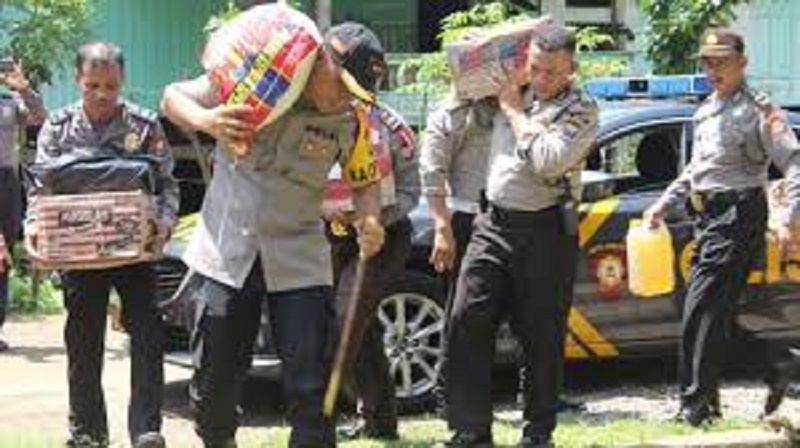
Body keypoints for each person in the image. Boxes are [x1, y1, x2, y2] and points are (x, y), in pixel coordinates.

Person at [160, 22, 386, 448]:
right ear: (321, 59)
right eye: (342, 85)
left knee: (311, 384)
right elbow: (172, 97)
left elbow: (366, 181)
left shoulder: (351, 117)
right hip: (229, 251)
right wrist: (207, 120)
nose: (344, 97)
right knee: (215, 383)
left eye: (355, 92)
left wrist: (370, 219)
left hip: (299, 258)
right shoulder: (259, 77)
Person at [440, 23, 598, 447]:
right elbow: (468, 113)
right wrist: (475, 72)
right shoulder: (516, 88)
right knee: (466, 319)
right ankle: (471, 430)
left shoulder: (582, 109)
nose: (542, 79)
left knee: (540, 335)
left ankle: (537, 434)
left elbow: (549, 160)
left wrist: (512, 111)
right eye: (536, 68)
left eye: (552, 72)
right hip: (492, 223)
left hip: (544, 230)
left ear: (571, 69)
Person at [643, 28, 800, 426]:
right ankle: (776, 364)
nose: (713, 70)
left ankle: (695, 408)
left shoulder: (759, 110)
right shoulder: (706, 109)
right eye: (707, 62)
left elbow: (794, 162)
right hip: (707, 216)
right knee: (712, 313)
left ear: (742, 63)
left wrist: (788, 218)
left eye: (722, 62)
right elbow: (698, 169)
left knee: (700, 309)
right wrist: (664, 203)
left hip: (738, 214)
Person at [26, 42, 178, 448]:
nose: (101, 94)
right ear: (78, 80)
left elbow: (167, 185)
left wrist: (162, 225)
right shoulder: (57, 128)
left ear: (122, 80)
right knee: (82, 343)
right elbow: (40, 190)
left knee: (148, 338)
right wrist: (35, 230)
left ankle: (146, 430)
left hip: (137, 255)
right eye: (92, 85)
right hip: (78, 257)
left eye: (110, 85)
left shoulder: (144, 126)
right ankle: (87, 433)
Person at [0, 59, 46, 352]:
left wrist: (24, 88)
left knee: (3, 253)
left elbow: (41, 117)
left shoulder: (9, 101)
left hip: (6, 181)